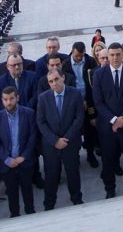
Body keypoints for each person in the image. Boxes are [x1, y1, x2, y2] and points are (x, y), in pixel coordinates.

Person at [93, 42, 123, 198]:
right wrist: (114, 119)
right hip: (108, 127)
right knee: (108, 159)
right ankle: (110, 189)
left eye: (118, 54)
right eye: (111, 55)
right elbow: (98, 102)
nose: (114, 58)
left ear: (122, 54)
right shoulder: (99, 74)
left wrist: (122, 119)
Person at [35, 69, 84, 210]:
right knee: (51, 175)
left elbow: (79, 118)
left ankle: (76, 199)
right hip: (51, 145)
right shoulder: (43, 98)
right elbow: (41, 122)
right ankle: (49, 204)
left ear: (63, 78)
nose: (54, 83)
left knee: (73, 172)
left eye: (56, 79)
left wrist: (66, 138)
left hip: (70, 142)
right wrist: (55, 140)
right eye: (51, 81)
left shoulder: (75, 94)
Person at [0, 86, 37, 217]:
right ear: (2, 100)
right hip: (7, 164)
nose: (9, 102)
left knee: (27, 189)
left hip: (25, 161)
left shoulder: (29, 113)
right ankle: (15, 214)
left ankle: (30, 212)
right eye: (5, 99)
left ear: (17, 98)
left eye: (11, 98)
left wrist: (23, 157)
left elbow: (32, 136)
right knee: (11, 192)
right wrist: (6, 159)